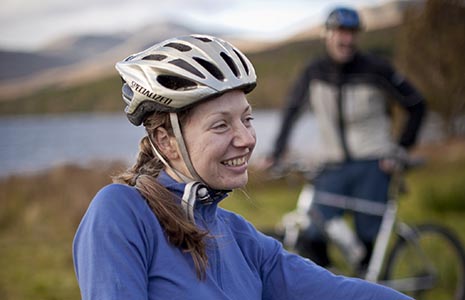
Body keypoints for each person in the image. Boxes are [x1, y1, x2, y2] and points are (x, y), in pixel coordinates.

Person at [72, 34, 413, 299]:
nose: (247, 139)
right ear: (166, 141)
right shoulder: (121, 213)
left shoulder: (239, 237)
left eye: (247, 119)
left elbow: (340, 293)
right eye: (221, 125)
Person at [263, 7, 426, 272]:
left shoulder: (376, 69)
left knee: (367, 245)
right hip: (333, 165)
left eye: (351, 33)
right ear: (327, 35)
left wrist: (399, 149)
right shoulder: (314, 71)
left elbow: (417, 105)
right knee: (314, 234)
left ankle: (371, 287)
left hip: (373, 165)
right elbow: (292, 109)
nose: (345, 39)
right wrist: (277, 151)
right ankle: (329, 286)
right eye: (340, 32)